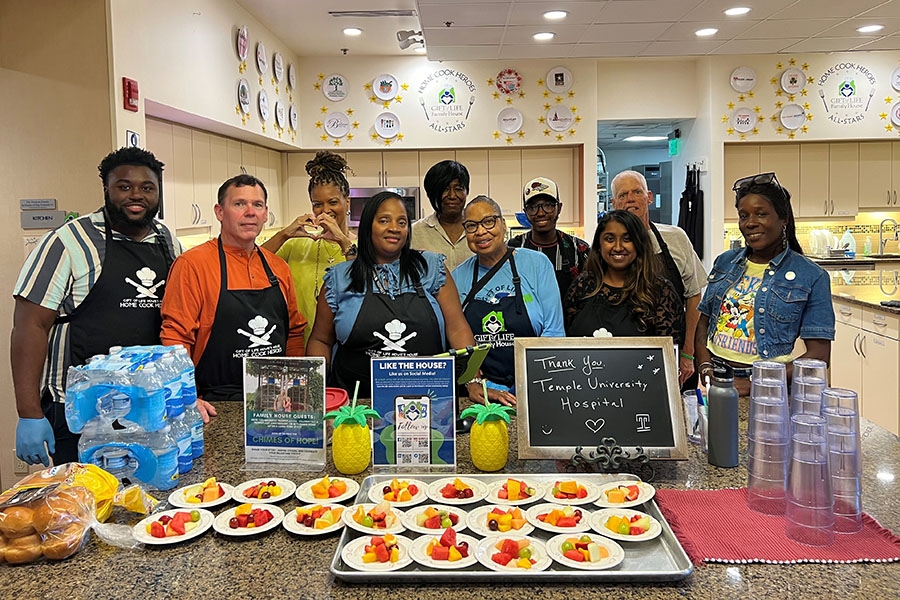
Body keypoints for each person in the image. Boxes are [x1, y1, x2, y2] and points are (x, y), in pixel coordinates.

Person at [12, 147, 185, 466]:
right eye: (124, 186)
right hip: (79, 413)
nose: (136, 195)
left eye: (147, 187)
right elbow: (29, 325)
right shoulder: (68, 242)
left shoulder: (167, 242)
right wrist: (29, 413)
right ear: (106, 189)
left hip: (147, 407)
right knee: (82, 496)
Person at [307, 191, 484, 402]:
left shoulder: (430, 268)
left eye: (402, 222)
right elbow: (320, 340)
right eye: (384, 220)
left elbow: (457, 328)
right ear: (368, 226)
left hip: (429, 401)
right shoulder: (339, 278)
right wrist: (315, 389)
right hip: (356, 405)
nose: (395, 228)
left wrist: (473, 381)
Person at [161, 174, 307, 403]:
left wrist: (295, 390)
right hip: (215, 399)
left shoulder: (278, 267)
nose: (250, 212)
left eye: (257, 205)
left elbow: (294, 332)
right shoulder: (192, 264)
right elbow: (176, 338)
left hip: (274, 400)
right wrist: (185, 398)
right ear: (219, 212)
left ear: (265, 214)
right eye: (239, 204)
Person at [695, 173, 833, 396]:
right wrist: (704, 366)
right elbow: (704, 321)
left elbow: (819, 356)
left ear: (783, 219)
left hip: (771, 386)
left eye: (761, 214)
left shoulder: (811, 275)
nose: (750, 223)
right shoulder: (725, 262)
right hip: (719, 377)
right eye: (743, 216)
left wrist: (755, 383)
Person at [453, 196, 564, 406]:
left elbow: (554, 332)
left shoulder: (536, 264)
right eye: (471, 226)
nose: (481, 231)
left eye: (489, 221)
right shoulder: (458, 277)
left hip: (537, 386)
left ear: (503, 225)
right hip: (482, 395)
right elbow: (457, 339)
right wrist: (475, 383)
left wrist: (526, 384)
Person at [611, 170, 707, 386]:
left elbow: (694, 296)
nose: (630, 199)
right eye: (623, 195)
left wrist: (688, 353)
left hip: (675, 353)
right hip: (626, 357)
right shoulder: (609, 248)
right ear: (614, 203)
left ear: (649, 197)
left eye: (637, 192)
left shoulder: (676, 238)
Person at [261, 151, 357, 343]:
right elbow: (253, 262)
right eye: (317, 204)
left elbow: (366, 284)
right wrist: (284, 234)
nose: (325, 210)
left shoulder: (361, 247)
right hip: (299, 346)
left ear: (347, 203)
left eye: (333, 202)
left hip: (348, 346)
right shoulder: (297, 243)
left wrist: (342, 240)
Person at [564, 210, 685, 348]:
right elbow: (564, 341)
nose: (618, 247)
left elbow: (669, 352)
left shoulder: (661, 291)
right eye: (609, 239)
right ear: (599, 245)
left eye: (627, 239)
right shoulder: (581, 286)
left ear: (639, 244)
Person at [508, 176, 589, 301]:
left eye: (548, 205)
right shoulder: (513, 249)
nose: (541, 213)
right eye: (533, 207)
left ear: (559, 208)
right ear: (525, 212)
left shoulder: (579, 250)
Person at [411, 160, 473, 271]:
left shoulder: (480, 230)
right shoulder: (414, 233)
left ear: (466, 192)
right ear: (431, 194)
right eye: (445, 189)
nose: (452, 196)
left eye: (458, 189)